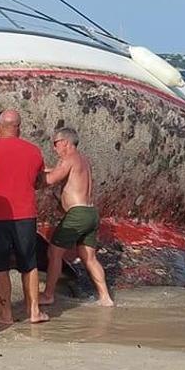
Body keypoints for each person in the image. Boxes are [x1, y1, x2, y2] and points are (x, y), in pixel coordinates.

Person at [0, 110, 48, 324]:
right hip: (25, 214)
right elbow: (39, 182)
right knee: (29, 264)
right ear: (20, 127)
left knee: (0, 266)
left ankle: (6, 315)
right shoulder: (34, 151)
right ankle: (34, 312)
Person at [41, 127, 114, 307]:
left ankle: (48, 294)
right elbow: (64, 173)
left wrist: (31, 175)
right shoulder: (83, 160)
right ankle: (105, 297)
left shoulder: (68, 159)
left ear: (65, 142)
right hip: (91, 213)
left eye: (56, 144)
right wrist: (47, 169)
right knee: (89, 257)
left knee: (54, 252)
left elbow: (50, 180)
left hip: (77, 214)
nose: (54, 148)